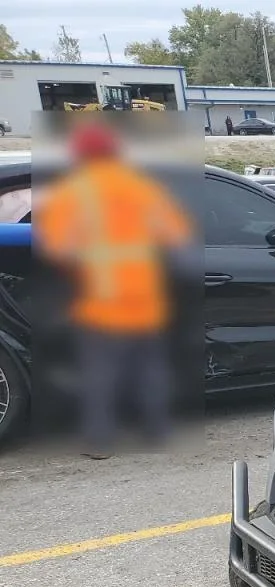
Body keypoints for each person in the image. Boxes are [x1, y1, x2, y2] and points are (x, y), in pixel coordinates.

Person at [36, 119, 194, 458]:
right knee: (150, 371)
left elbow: (55, 249)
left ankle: (100, 442)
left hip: (101, 303)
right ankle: (156, 433)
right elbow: (177, 237)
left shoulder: (71, 191)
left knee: (100, 376)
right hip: (146, 301)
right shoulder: (142, 187)